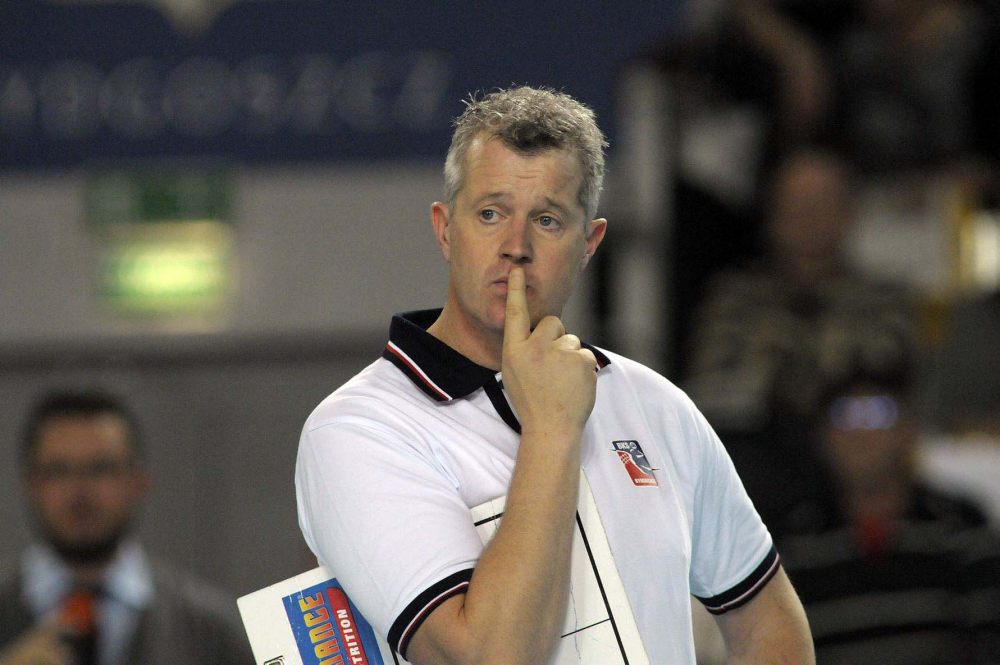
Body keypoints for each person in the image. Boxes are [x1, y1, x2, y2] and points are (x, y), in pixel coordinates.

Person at [295, 86, 814, 664]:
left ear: (589, 244)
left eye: (547, 220)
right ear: (445, 230)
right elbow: (488, 659)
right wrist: (551, 428)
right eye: (490, 213)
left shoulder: (656, 404)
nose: (515, 246)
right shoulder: (358, 429)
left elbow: (769, 621)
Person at [683, 147, 915, 534]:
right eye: (794, 202)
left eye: (823, 201)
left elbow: (884, 377)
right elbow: (717, 393)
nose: (808, 215)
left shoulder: (885, 302)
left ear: (849, 211)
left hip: (856, 477)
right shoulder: (732, 301)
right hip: (761, 476)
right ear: (770, 213)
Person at [0, 389, 253, 665]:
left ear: (139, 481)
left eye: (101, 469)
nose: (79, 491)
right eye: (58, 471)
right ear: (31, 484)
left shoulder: (211, 632)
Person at [777, 367, 1000, 662]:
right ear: (822, 438)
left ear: (908, 430)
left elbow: (989, 641)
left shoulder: (960, 529)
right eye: (844, 417)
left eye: (879, 414)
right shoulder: (794, 545)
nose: (860, 433)